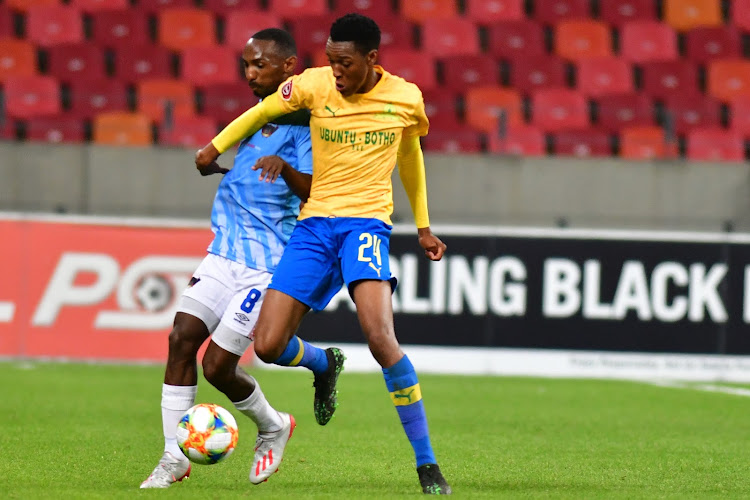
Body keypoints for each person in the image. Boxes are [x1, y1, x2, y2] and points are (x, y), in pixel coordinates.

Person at [195, 13, 452, 496]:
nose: (336, 72)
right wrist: (215, 145)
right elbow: (263, 112)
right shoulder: (314, 85)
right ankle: (323, 364)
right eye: (331, 62)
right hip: (314, 227)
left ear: (372, 59)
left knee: (380, 338)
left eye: (345, 64)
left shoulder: (404, 97)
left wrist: (422, 226)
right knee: (268, 346)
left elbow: (409, 156)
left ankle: (427, 464)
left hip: (365, 227)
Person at [141, 28, 344, 489]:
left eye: (259, 65)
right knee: (180, 339)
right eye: (246, 65)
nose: (250, 73)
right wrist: (219, 166)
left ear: (289, 67)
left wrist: (286, 168)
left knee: (217, 367)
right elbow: (252, 177)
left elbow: (315, 188)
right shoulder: (255, 116)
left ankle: (273, 424)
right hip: (223, 251)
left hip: (266, 265)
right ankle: (174, 457)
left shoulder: (310, 124)